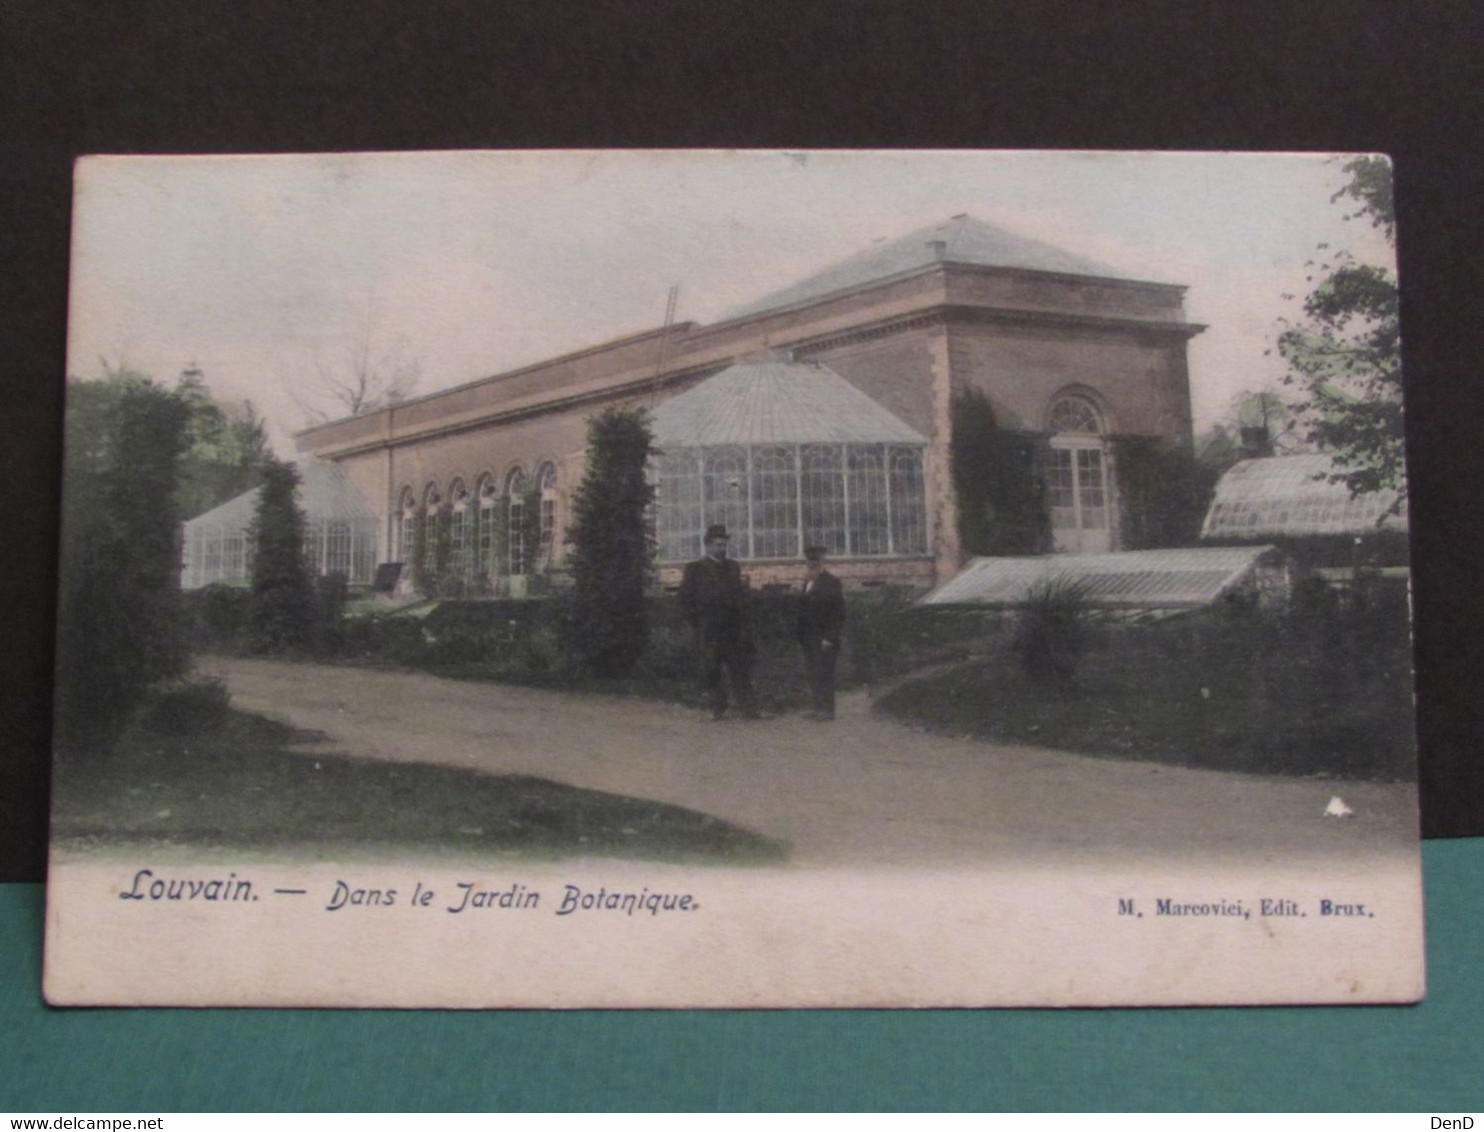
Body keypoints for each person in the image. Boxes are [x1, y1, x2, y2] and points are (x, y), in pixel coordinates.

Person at [678, 524, 759, 720]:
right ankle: (718, 707)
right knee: (711, 668)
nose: (721, 549)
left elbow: (740, 598)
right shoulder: (695, 569)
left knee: (739, 669)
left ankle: (748, 708)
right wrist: (698, 622)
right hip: (710, 629)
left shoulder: (733, 567)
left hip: (732, 629)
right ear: (707, 546)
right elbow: (685, 600)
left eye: (724, 545)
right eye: (717, 545)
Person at [796, 544, 846, 720]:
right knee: (813, 673)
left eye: (816, 560)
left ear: (822, 561)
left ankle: (827, 710)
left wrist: (830, 637)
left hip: (825, 638)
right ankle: (818, 708)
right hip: (809, 638)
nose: (812, 564)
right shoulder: (807, 582)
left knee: (825, 673)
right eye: (810, 560)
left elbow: (838, 613)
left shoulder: (831, 583)